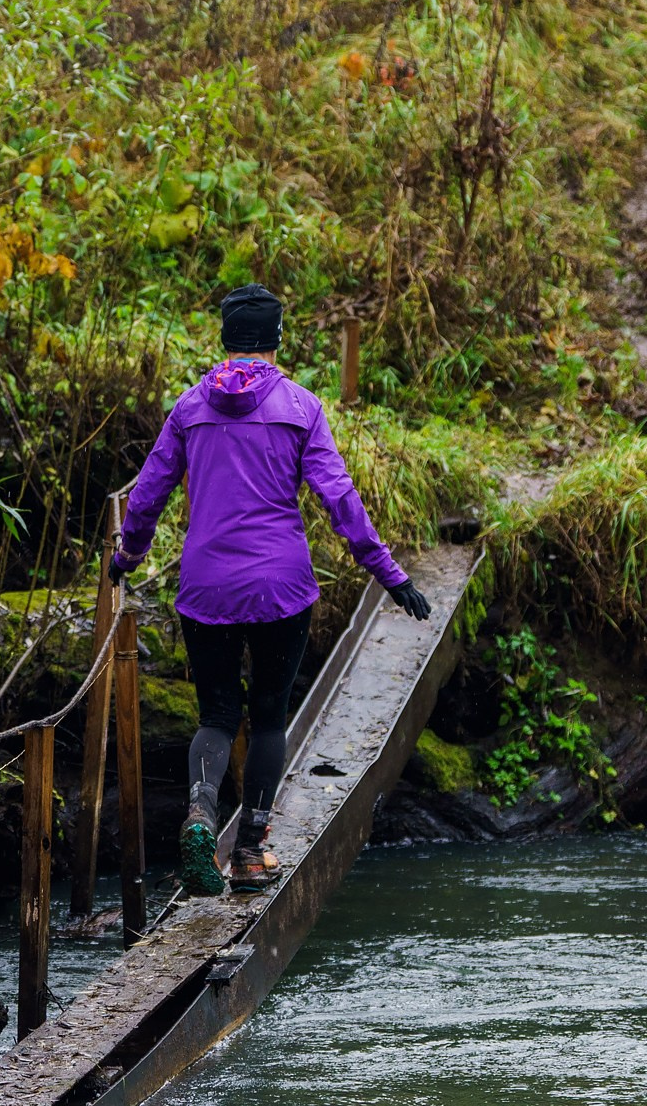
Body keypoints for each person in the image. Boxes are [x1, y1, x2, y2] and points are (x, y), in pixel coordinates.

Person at [109, 284, 430, 899]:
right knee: (269, 718)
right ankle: (252, 853)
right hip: (282, 587)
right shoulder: (301, 406)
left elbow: (148, 493)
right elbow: (339, 499)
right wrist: (391, 576)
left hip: (206, 589)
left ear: (226, 338)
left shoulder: (189, 408)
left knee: (217, 714)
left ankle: (202, 816)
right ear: (278, 338)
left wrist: (128, 555)